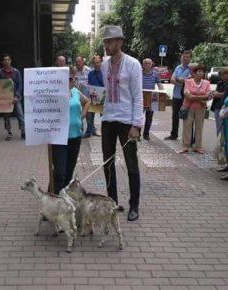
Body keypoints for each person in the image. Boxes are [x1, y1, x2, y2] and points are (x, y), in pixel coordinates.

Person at [100, 26, 143, 221]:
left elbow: (138, 96)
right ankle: (112, 203)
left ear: (119, 42)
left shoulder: (133, 64)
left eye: (109, 41)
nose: (106, 45)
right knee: (107, 164)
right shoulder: (103, 65)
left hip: (127, 121)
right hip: (108, 119)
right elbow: (107, 94)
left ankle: (134, 205)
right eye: (105, 42)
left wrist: (136, 125)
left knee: (131, 164)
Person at [51, 67, 90, 195]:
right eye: (64, 78)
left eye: (70, 78)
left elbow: (87, 102)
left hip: (76, 136)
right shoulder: (54, 93)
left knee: (69, 171)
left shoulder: (75, 92)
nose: (67, 81)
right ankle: (56, 200)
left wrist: (82, 116)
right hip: (59, 138)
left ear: (74, 79)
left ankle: (63, 197)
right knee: (59, 172)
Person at [179, 64, 211, 154]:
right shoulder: (188, 82)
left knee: (199, 127)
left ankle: (198, 146)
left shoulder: (206, 83)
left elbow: (209, 96)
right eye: (198, 72)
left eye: (202, 72)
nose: (200, 73)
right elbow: (187, 95)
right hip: (188, 107)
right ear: (194, 73)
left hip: (200, 108)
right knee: (187, 127)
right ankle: (185, 146)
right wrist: (201, 97)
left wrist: (194, 97)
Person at [0, 54, 25, 140]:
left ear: (10, 61)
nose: (6, 61)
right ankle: (9, 133)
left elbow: (20, 85)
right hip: (5, 99)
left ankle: (23, 132)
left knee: (20, 115)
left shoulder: (16, 72)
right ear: (2, 62)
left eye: (8, 60)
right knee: (6, 117)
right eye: (5, 60)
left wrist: (16, 96)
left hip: (16, 98)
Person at [165, 50, 191, 140]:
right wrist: (182, 81)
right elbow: (172, 79)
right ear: (181, 58)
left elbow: (188, 81)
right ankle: (174, 134)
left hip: (186, 97)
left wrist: (179, 80)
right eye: (183, 57)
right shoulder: (177, 68)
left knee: (187, 118)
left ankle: (187, 137)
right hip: (176, 96)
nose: (185, 59)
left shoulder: (191, 69)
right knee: (175, 116)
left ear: (190, 58)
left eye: (187, 57)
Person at [142, 58, 164, 141]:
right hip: (141, 97)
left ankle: (146, 134)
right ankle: (137, 133)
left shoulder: (155, 73)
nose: (147, 65)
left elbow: (159, 83)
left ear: (151, 64)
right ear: (143, 65)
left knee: (149, 117)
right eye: (146, 63)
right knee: (139, 116)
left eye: (149, 63)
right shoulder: (139, 73)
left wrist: (162, 92)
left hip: (151, 97)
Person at [84, 55, 104, 138]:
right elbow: (89, 84)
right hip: (92, 97)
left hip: (103, 98)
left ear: (101, 62)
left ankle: (105, 133)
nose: (96, 64)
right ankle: (89, 131)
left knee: (104, 117)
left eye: (98, 62)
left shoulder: (104, 72)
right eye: (95, 63)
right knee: (89, 115)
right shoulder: (91, 73)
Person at [210, 68, 228, 135]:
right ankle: (219, 141)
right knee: (218, 125)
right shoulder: (219, 83)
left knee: (225, 126)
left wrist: (217, 94)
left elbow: (227, 94)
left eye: (225, 74)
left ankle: (223, 142)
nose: (223, 76)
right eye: (221, 75)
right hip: (217, 106)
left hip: (226, 106)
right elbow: (217, 92)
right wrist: (214, 93)